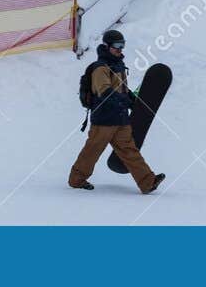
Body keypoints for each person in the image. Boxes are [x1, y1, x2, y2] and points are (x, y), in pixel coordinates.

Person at [67, 29, 165, 194]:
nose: (120, 49)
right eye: (117, 45)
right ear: (107, 46)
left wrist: (131, 100)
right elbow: (104, 91)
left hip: (120, 119)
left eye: (122, 45)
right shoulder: (100, 68)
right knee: (92, 150)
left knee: (129, 150)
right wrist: (123, 101)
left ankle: (148, 182)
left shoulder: (118, 66)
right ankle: (76, 179)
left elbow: (121, 89)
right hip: (104, 120)